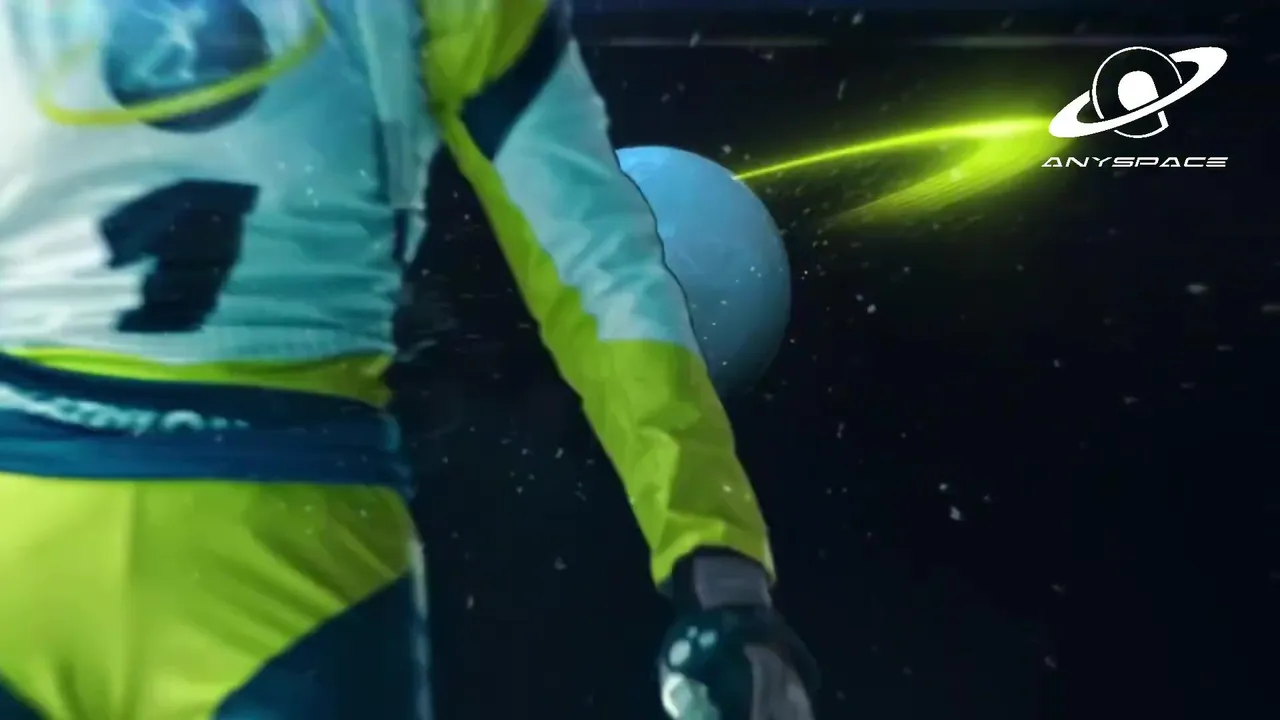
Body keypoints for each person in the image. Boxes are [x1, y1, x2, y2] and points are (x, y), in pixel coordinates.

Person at [0, 0, 817, 718]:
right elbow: (601, 274)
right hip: (292, 563)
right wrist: (720, 566)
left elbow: (599, 272)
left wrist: (720, 563)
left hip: (74, 537)